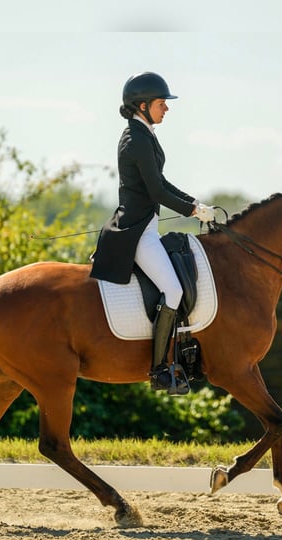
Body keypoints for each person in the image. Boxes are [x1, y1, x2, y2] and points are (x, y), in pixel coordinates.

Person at [90, 72, 216, 394]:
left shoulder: (144, 134)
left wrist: (194, 203)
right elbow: (157, 191)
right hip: (137, 233)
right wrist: (190, 211)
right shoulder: (135, 139)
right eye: (162, 103)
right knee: (173, 291)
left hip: (145, 227)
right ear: (143, 105)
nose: (166, 109)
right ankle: (159, 369)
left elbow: (161, 182)